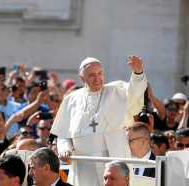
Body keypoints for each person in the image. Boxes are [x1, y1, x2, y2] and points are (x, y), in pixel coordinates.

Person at [50, 56, 147, 185]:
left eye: (100, 73)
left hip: (114, 159)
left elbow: (135, 92)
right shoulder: (71, 99)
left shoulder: (116, 91)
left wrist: (138, 73)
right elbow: (63, 134)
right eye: (91, 75)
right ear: (82, 78)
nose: (97, 78)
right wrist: (64, 148)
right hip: (85, 165)